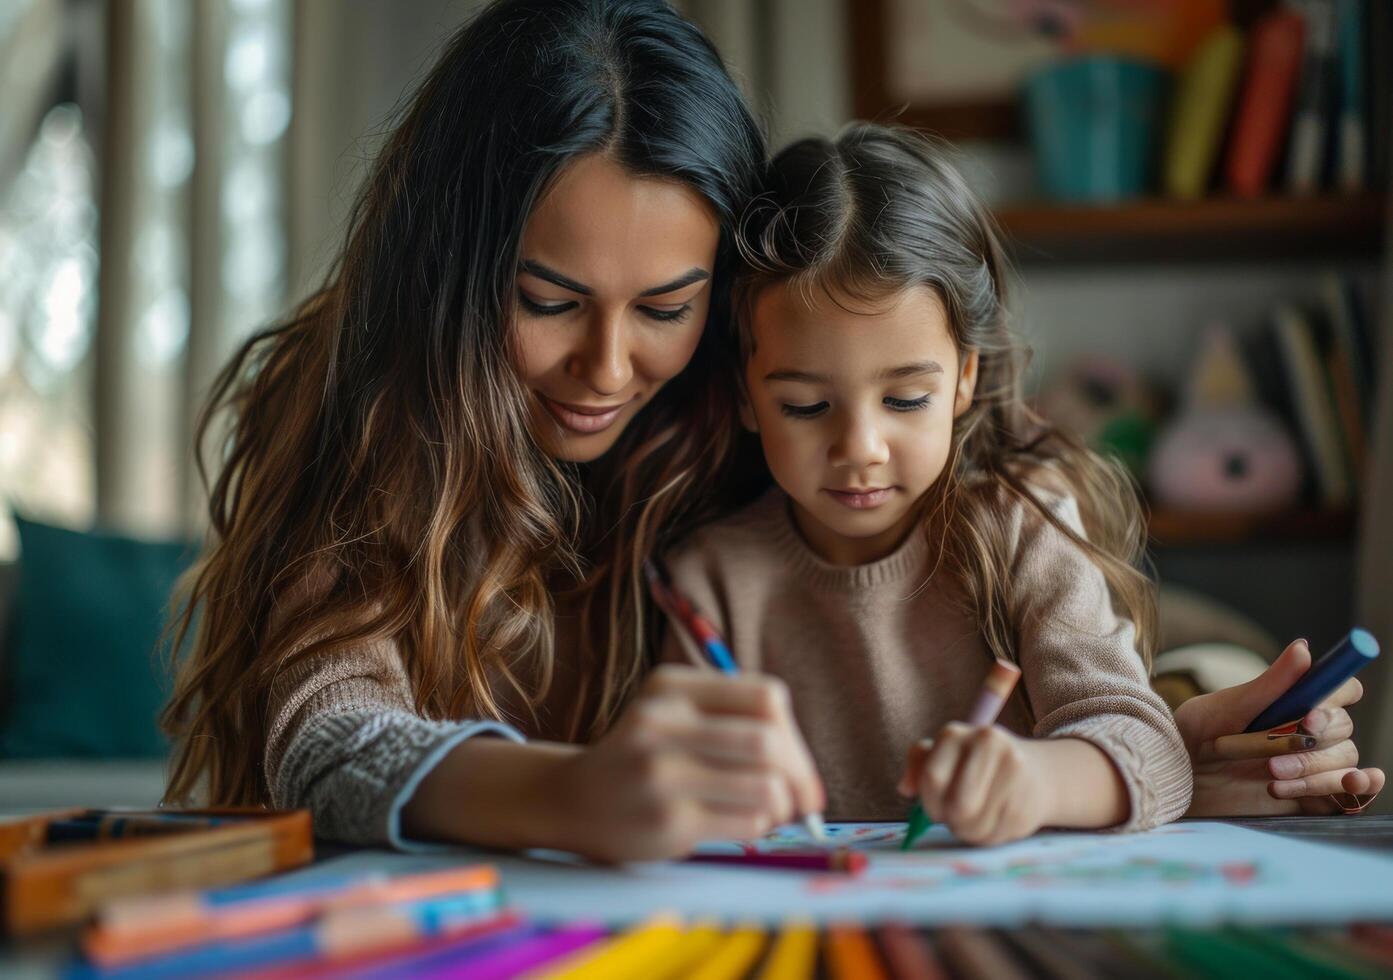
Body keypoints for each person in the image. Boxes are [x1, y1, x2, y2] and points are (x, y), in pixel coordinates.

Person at [162, 0, 1379, 860]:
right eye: (547, 301)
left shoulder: (756, 397)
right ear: (451, 273)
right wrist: (575, 792)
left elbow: (995, 620)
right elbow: (328, 735)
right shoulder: (371, 415)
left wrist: (1180, 720)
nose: (606, 365)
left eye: (668, 307)